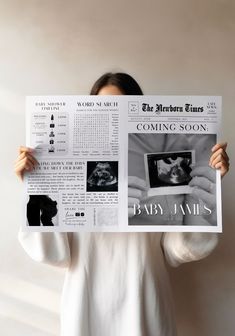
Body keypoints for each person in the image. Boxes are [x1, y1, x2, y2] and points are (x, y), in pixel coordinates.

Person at [15, 73, 229, 336]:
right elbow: (53, 252)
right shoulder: (66, 161)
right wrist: (36, 187)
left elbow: (179, 248)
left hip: (145, 303)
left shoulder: (159, 166)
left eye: (123, 108)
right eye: (104, 107)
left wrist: (207, 184)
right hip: (86, 305)